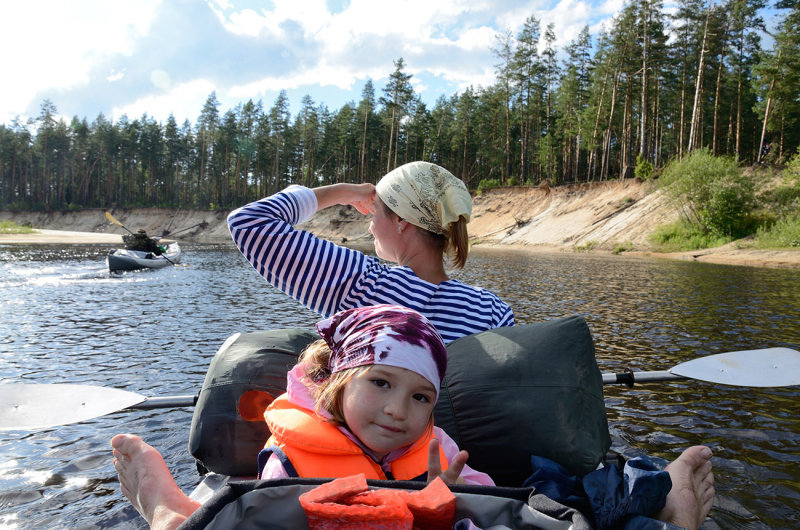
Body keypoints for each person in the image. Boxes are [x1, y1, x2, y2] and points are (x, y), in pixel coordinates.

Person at [112, 305, 493, 530]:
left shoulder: (437, 448)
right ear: (340, 383)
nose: (398, 409)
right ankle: (164, 510)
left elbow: (493, 507)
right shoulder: (289, 463)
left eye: (420, 396)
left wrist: (450, 501)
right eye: (380, 382)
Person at [227, 161, 513, 344]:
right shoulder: (492, 309)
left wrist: (344, 192)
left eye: (375, 214)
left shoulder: (366, 286)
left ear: (401, 221)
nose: (370, 229)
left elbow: (248, 222)